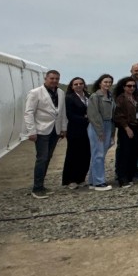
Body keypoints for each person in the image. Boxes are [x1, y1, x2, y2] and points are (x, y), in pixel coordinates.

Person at [24, 70, 68, 199]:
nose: (54, 81)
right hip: (41, 130)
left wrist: (63, 128)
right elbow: (29, 112)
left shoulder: (60, 93)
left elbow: (62, 112)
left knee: (48, 157)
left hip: (55, 130)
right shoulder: (35, 92)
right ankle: (37, 188)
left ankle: (41, 185)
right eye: (52, 78)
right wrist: (31, 131)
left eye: (57, 79)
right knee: (42, 158)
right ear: (46, 78)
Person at [86, 74, 115, 191]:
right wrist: (100, 131)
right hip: (97, 126)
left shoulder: (111, 96)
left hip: (108, 125)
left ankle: (93, 181)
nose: (108, 84)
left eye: (109, 82)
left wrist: (112, 132)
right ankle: (99, 183)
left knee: (99, 154)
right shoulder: (95, 96)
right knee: (98, 154)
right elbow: (93, 114)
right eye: (105, 82)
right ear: (100, 83)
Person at [113, 77, 138, 188]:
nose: (132, 88)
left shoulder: (136, 97)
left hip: (137, 127)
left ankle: (130, 176)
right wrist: (126, 127)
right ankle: (122, 178)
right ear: (123, 87)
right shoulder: (120, 99)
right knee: (124, 152)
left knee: (134, 152)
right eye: (129, 86)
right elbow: (118, 115)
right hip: (126, 127)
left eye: (134, 86)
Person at [62, 77, 90, 188]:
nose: (78, 85)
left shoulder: (88, 96)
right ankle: (70, 180)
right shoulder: (69, 98)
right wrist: (86, 119)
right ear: (72, 86)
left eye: (80, 83)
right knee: (73, 154)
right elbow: (70, 115)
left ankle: (81, 178)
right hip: (75, 129)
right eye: (76, 84)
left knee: (86, 154)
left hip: (88, 130)